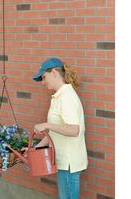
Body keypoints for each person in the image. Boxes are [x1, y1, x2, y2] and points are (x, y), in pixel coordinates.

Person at [32, 57, 88, 199]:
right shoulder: (59, 96)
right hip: (64, 162)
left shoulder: (66, 97)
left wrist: (46, 125)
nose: (43, 82)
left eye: (44, 77)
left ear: (55, 73)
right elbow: (54, 133)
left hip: (69, 164)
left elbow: (74, 130)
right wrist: (35, 148)